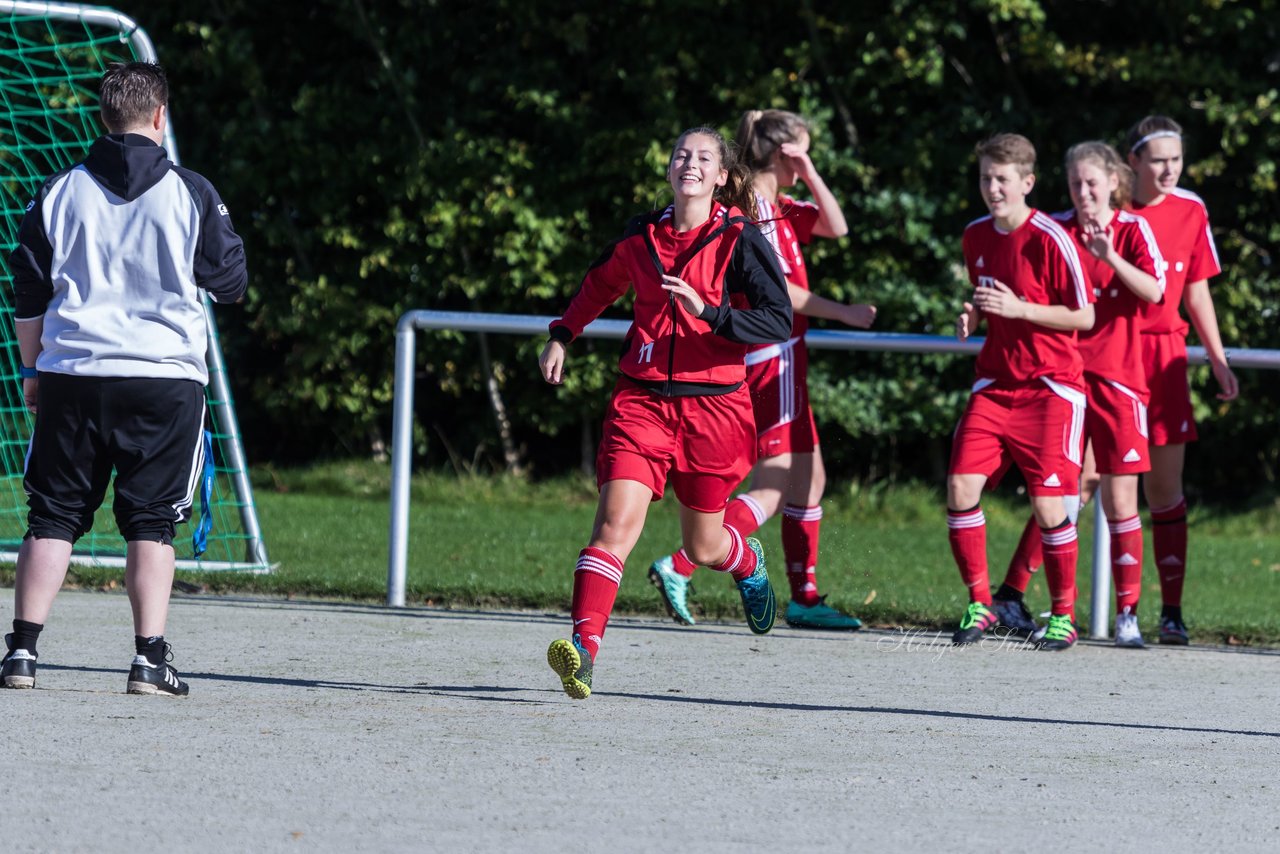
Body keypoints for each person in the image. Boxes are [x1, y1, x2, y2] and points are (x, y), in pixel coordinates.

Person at [1, 62, 247, 695]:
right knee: (151, 520)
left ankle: (21, 654)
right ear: (160, 116)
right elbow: (232, 284)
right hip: (162, 377)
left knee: (51, 515)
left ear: (103, 117)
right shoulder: (191, 191)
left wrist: (33, 369)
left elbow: (27, 288)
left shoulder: (58, 191)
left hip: (72, 372)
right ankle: (148, 660)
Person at [540, 126, 792, 699]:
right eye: (682, 154)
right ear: (669, 167)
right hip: (643, 401)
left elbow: (778, 319)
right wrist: (562, 334)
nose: (691, 164)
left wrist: (711, 313)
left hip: (716, 409)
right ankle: (583, 650)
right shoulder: (642, 237)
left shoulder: (739, 238)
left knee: (704, 546)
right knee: (611, 528)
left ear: (722, 175)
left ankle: (746, 563)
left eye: (704, 157)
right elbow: (598, 285)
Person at [647, 109, 875, 631]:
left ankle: (805, 596)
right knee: (776, 478)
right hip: (774, 356)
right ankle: (681, 563)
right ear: (781, 153)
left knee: (808, 477)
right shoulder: (753, 211)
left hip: (788, 355)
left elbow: (837, 226)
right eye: (803, 152)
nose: (807, 161)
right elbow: (779, 295)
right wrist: (844, 313)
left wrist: (811, 172)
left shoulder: (783, 207)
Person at [988, 143, 1165, 647]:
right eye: (1074, 184)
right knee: (1059, 491)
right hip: (1062, 379)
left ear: (1114, 181)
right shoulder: (1055, 228)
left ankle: (1128, 614)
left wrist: (1109, 256)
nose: (1084, 193)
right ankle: (1012, 595)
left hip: (1119, 379)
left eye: (1092, 183)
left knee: (1119, 494)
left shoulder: (1132, 229)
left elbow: (1155, 292)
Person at [948, 133, 1093, 651]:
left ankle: (1063, 617)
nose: (992, 188)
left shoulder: (1052, 238)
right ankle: (981, 604)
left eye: (1002, 179)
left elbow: (1084, 315)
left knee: (1051, 505)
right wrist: (974, 313)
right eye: (986, 177)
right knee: (961, 488)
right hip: (996, 384)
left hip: (1051, 388)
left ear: (1027, 183)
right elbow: (987, 299)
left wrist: (1021, 310)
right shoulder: (975, 236)